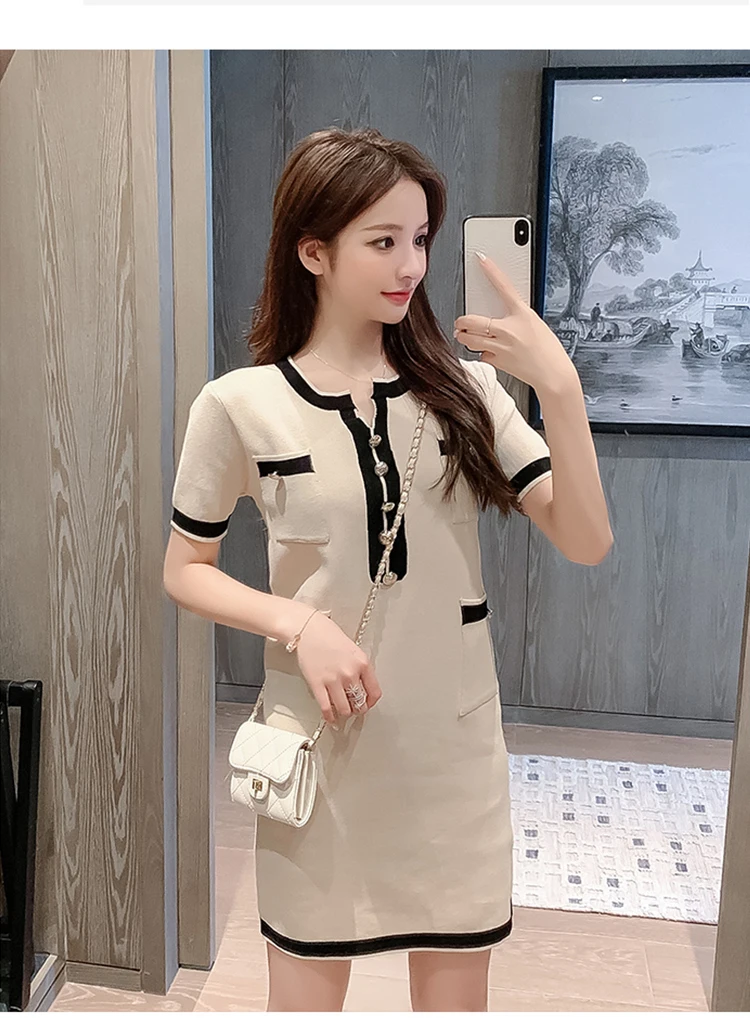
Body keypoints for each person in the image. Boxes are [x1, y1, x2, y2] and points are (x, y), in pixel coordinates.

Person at [163, 127, 613, 1012]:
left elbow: (586, 539)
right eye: (383, 241)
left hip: (452, 757)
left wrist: (560, 388)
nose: (411, 265)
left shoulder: (468, 392)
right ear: (313, 252)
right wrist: (298, 623)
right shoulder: (239, 404)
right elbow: (185, 568)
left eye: (420, 239)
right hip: (321, 750)